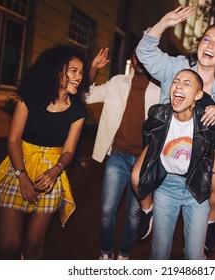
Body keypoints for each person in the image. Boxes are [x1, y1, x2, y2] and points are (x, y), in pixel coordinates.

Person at [135, 5, 215, 253]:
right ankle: (146, 211)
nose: (210, 46)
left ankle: (211, 221)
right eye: (207, 39)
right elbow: (145, 54)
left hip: (208, 142)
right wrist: (163, 23)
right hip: (169, 136)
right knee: (136, 177)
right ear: (199, 44)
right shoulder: (178, 67)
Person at [0, 44, 89, 259]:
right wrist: (21, 175)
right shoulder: (29, 98)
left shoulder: (78, 111)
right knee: (8, 244)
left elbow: (68, 151)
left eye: (81, 72)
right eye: (73, 71)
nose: (79, 76)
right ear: (57, 71)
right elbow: (13, 139)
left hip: (51, 173)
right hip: (19, 165)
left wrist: (55, 170)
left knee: (34, 244)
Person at [131, 69, 215, 259]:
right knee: (159, 254)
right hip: (165, 188)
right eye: (176, 82)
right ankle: (148, 213)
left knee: (194, 257)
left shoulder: (207, 122)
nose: (179, 86)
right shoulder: (158, 114)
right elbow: (147, 134)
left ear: (198, 95)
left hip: (196, 190)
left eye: (187, 83)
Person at [86, 47, 160, 260]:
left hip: (143, 160)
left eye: (145, 56)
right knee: (107, 210)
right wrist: (93, 68)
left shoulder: (161, 88)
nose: (140, 61)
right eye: (137, 55)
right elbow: (88, 96)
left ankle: (124, 255)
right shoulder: (118, 82)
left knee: (134, 213)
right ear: (132, 59)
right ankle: (106, 253)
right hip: (117, 156)